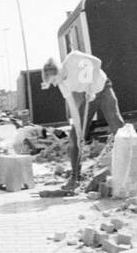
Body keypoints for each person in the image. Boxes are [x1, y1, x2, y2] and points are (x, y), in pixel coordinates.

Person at [41, 52, 124, 190]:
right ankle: (74, 178)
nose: (55, 85)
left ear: (59, 70)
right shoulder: (62, 84)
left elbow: (97, 62)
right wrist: (79, 133)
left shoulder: (73, 57)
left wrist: (91, 84)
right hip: (89, 98)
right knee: (74, 138)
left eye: (54, 80)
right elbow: (74, 110)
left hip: (103, 89)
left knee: (118, 127)